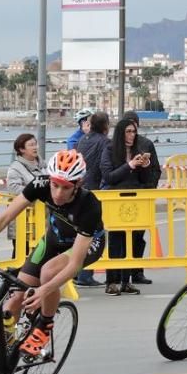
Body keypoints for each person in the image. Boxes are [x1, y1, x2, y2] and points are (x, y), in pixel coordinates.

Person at [0, 150, 105, 374]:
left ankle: (45, 325)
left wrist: (44, 291)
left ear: (78, 184)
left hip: (84, 245)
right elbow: (4, 218)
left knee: (49, 273)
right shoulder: (40, 184)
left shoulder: (90, 205)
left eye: (65, 187)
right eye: (55, 185)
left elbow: (73, 265)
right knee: (12, 305)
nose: (58, 193)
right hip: (53, 240)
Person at [100, 118, 154, 295]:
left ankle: (126, 280)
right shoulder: (109, 150)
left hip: (134, 199)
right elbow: (109, 176)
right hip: (116, 200)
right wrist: (129, 165)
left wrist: (145, 166)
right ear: (120, 133)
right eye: (128, 132)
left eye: (133, 132)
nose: (132, 135)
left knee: (132, 241)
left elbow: (145, 180)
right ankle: (111, 281)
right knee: (116, 241)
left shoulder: (138, 150)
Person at [73, 111, 110, 287]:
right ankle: (85, 275)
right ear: (105, 126)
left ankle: (75, 271)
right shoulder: (105, 142)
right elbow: (105, 167)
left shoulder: (82, 140)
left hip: (80, 188)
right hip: (94, 190)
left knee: (79, 233)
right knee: (93, 234)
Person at [6, 132, 43, 260]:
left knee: (40, 253)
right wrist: (35, 191)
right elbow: (13, 188)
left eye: (36, 144)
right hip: (22, 218)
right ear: (21, 149)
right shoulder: (15, 168)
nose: (35, 147)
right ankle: (12, 279)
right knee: (21, 253)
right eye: (31, 145)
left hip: (41, 219)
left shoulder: (42, 165)